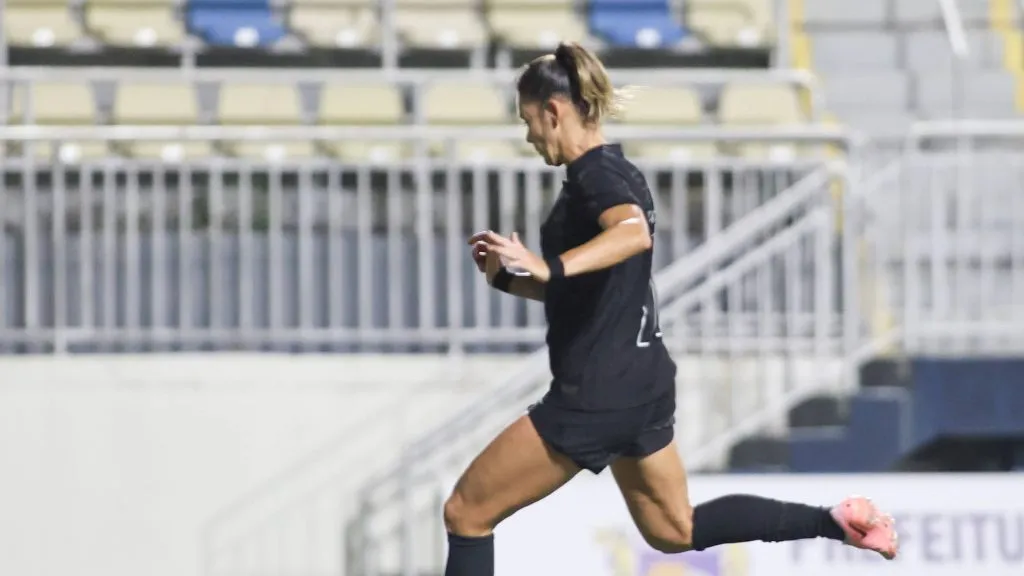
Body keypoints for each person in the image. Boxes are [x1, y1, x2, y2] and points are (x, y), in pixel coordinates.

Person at [444, 41, 899, 576]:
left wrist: (551, 267)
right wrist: (510, 282)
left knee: (467, 512)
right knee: (674, 529)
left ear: (554, 111)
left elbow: (631, 233)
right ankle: (833, 521)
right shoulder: (620, 170)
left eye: (528, 122)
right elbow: (598, 289)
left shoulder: (597, 178)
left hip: (596, 392)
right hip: (643, 383)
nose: (528, 136)